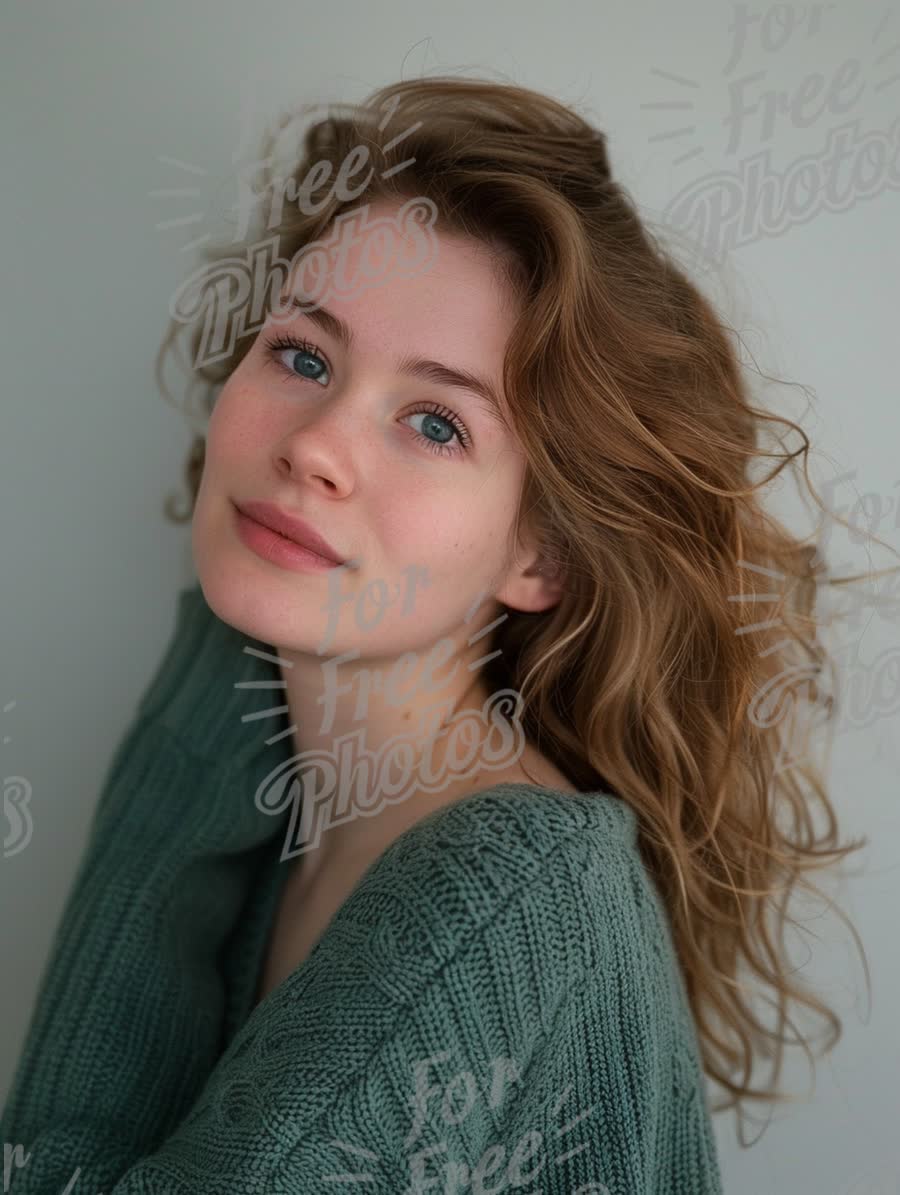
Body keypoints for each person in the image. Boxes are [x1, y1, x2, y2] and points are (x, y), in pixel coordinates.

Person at [2, 74, 887, 1194]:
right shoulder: (284, 794)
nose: (317, 445)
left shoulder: (510, 885)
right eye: (303, 356)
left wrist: (196, 699)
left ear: (543, 557)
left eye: (435, 422)